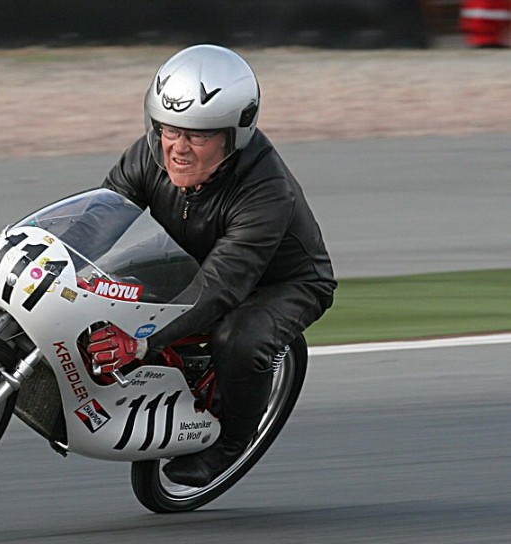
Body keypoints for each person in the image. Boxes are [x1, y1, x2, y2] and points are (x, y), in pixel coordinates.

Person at [85, 45, 337, 487]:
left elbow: (220, 288)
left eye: (198, 136)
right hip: (196, 258)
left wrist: (140, 342)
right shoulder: (150, 155)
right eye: (169, 129)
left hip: (281, 283)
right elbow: (100, 219)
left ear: (233, 136)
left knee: (237, 338)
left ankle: (234, 441)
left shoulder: (265, 190)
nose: (178, 149)